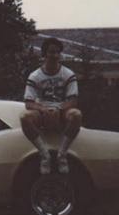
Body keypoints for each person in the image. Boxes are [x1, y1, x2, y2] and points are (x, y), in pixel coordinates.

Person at [21, 37, 82, 174]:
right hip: (43, 111)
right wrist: (43, 109)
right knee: (25, 117)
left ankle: (62, 154)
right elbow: (28, 103)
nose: (55, 56)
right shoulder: (35, 75)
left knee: (76, 114)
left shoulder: (67, 74)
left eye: (57, 52)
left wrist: (58, 109)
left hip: (62, 110)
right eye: (51, 52)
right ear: (44, 54)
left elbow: (73, 101)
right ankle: (44, 155)